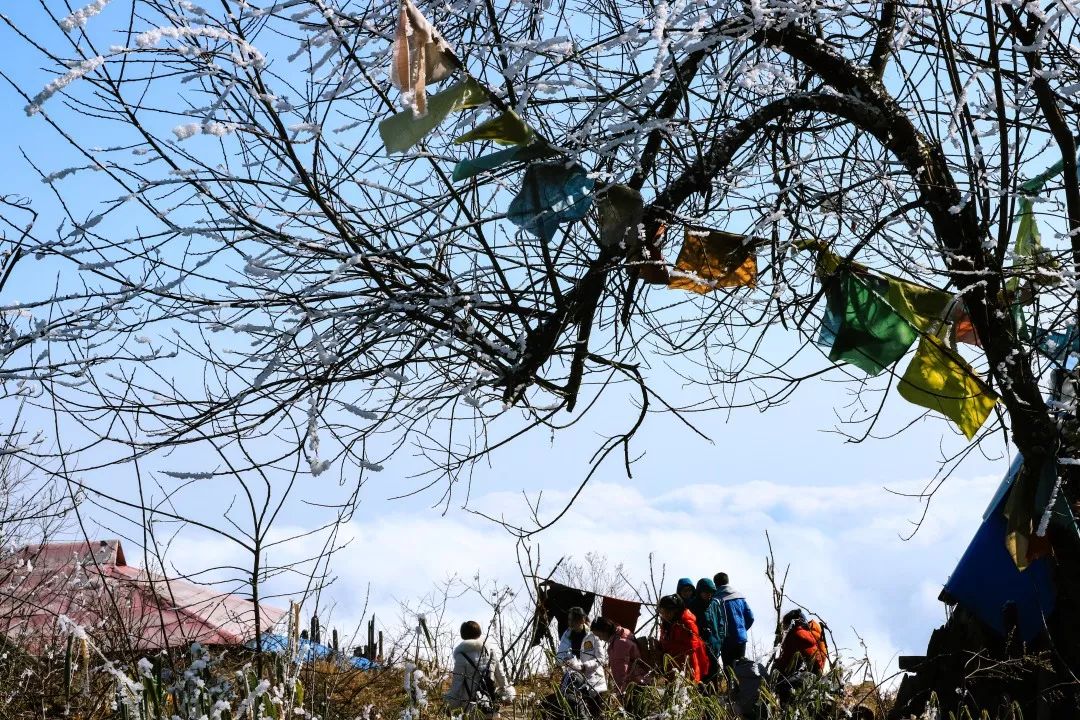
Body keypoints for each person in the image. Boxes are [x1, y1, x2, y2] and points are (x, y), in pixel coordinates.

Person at [445, 621, 512, 718]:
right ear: (479, 633)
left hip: (470, 708)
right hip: (490, 703)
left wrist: (450, 706)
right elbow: (501, 676)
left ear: (463, 635)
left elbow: (457, 685)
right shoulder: (491, 652)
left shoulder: (461, 656)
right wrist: (507, 696)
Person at [554, 606, 608, 718]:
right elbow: (560, 656)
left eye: (573, 620)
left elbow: (601, 658)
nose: (570, 623)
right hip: (575, 680)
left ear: (582, 620)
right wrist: (565, 661)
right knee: (576, 711)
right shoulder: (567, 635)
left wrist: (585, 666)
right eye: (569, 620)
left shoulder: (593, 635)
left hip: (594, 679)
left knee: (596, 713)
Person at [774, 609, 828, 703]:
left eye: (785, 626)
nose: (784, 629)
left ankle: (784, 711)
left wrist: (776, 667)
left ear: (791, 623)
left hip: (809, 676)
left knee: (782, 686)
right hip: (814, 674)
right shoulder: (805, 633)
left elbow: (786, 660)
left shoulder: (796, 635)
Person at [657, 594, 709, 683]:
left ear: (675, 611)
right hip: (672, 666)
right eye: (662, 612)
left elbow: (692, 646)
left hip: (686, 667)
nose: (664, 615)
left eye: (667, 612)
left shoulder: (687, 623)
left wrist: (668, 647)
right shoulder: (666, 624)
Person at [589, 616, 648, 694]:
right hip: (640, 679)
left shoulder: (619, 644)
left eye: (599, 635)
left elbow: (621, 672)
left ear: (605, 630)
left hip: (633, 686)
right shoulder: (623, 634)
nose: (600, 639)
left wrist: (620, 691)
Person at [689, 578, 726, 686]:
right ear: (699, 591)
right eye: (705, 592)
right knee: (700, 676)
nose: (708, 595)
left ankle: (712, 698)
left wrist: (719, 640)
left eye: (710, 592)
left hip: (714, 645)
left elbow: (721, 623)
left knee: (713, 675)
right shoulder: (692, 605)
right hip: (699, 647)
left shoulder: (715, 604)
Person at [714, 572, 755, 669]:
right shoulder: (739, 597)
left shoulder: (716, 600)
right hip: (741, 638)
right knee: (741, 669)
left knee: (729, 669)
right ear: (728, 581)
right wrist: (742, 630)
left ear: (715, 584)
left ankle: (731, 685)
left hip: (726, 640)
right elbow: (750, 617)